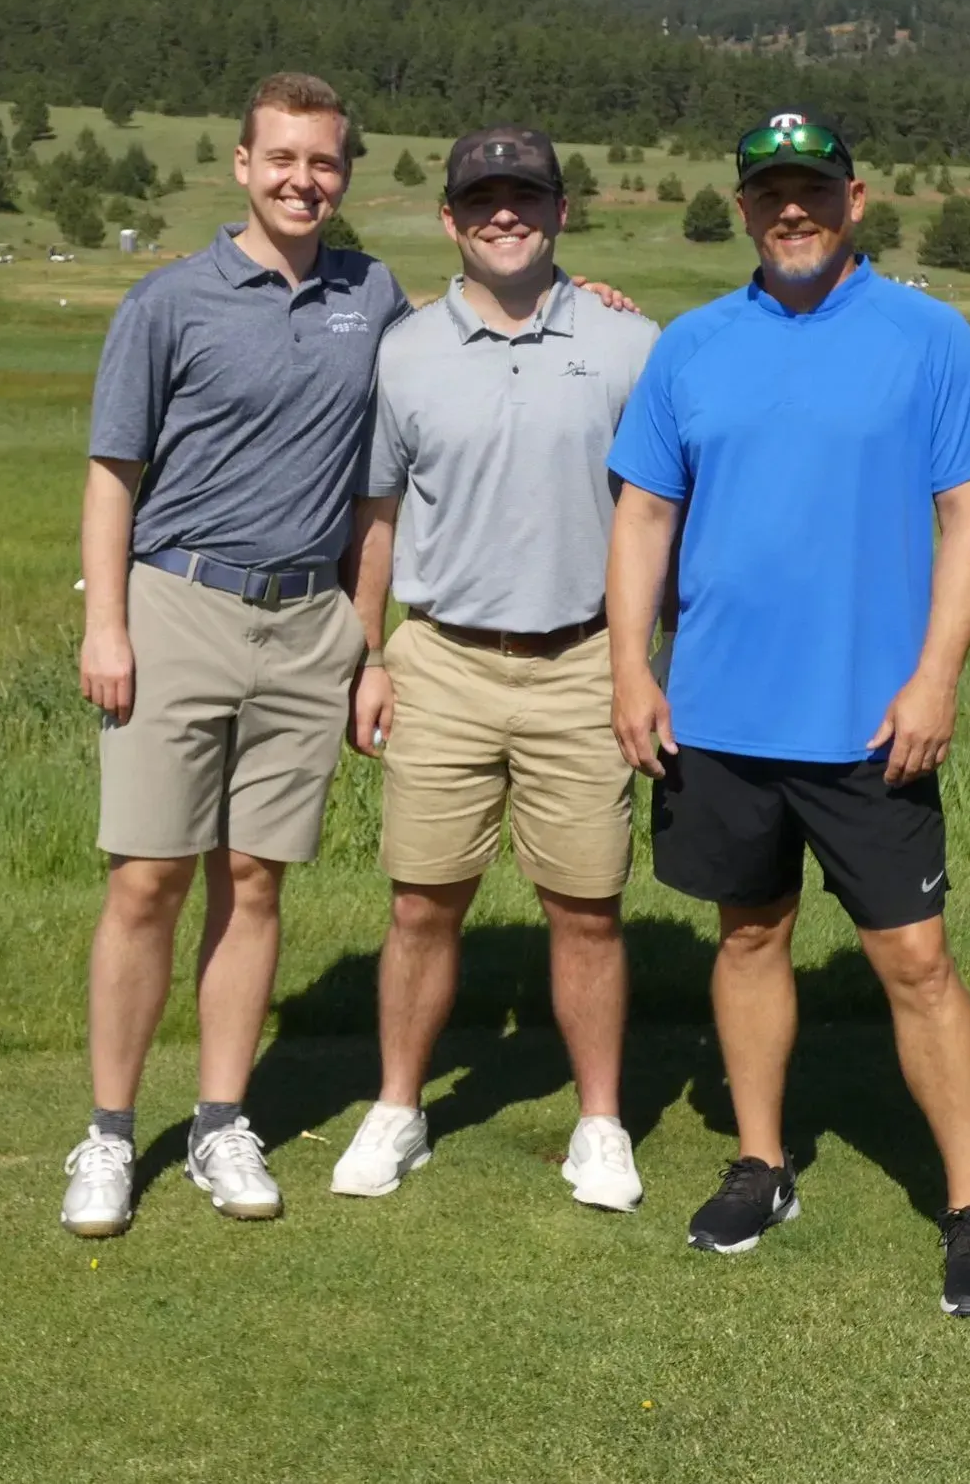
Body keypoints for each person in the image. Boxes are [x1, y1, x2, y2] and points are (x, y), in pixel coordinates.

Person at [604, 109, 970, 1317]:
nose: (791, 210)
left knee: (916, 959)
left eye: (812, 190)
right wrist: (631, 670)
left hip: (870, 721)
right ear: (742, 207)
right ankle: (762, 1160)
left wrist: (940, 672)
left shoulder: (928, 336)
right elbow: (642, 518)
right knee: (748, 936)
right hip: (722, 716)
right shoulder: (689, 347)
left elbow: (968, 518)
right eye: (768, 193)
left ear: (856, 198)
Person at [60, 73, 409, 1237]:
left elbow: (388, 477)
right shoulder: (169, 302)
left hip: (313, 626)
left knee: (254, 880)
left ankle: (219, 1119)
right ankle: (110, 1135)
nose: (304, 180)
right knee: (147, 877)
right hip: (178, 607)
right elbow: (115, 475)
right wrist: (105, 623)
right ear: (241, 166)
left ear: (344, 173)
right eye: (284, 160)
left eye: (325, 162)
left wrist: (367, 642)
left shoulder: (378, 294)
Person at [328, 126, 660, 1211]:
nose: (503, 215)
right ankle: (398, 1106)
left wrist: (640, 666)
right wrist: (369, 655)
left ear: (562, 212)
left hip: (581, 663)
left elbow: (661, 515)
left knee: (588, 907)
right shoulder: (405, 350)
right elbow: (376, 515)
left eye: (525, 197)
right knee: (423, 901)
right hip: (442, 661)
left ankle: (601, 1123)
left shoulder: (629, 343)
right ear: (450, 220)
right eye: (483, 200)